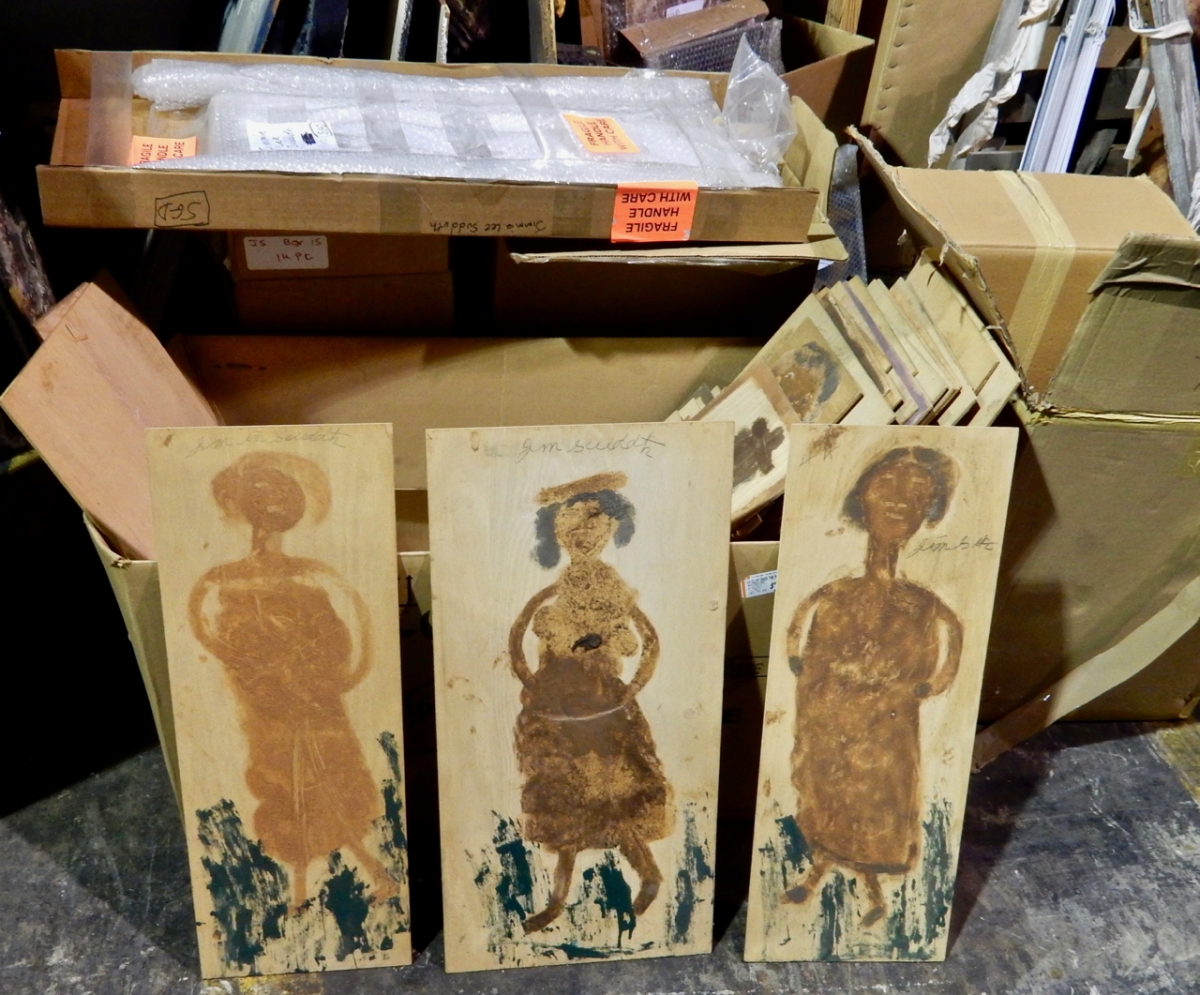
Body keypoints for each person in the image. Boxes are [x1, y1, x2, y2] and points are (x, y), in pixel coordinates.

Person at [188, 450, 392, 910]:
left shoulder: (312, 576)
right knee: (289, 785)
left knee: (326, 779)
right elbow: (210, 634)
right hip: (270, 707)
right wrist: (260, 673)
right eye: (259, 502)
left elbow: (352, 640)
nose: (268, 513)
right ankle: (314, 885)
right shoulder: (224, 579)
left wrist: (321, 682)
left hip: (313, 702)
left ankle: (352, 879)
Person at [784, 446, 963, 927]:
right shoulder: (834, 595)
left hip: (886, 731)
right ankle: (816, 874)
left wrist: (927, 687)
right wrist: (806, 671)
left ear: (929, 509)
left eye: (917, 492)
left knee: (875, 804)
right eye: (886, 485)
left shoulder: (923, 605)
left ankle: (874, 894)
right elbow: (797, 638)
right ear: (862, 496)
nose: (899, 500)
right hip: (831, 721)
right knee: (829, 796)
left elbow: (951, 647)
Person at [508, 471, 673, 933]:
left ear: (612, 525)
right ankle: (558, 900)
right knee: (565, 804)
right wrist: (560, 640)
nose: (582, 530)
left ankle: (649, 876)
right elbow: (541, 631)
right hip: (558, 705)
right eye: (570, 520)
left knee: (615, 797)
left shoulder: (611, 587)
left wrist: (599, 639)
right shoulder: (559, 591)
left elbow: (630, 641)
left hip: (601, 705)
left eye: (594, 518)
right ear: (555, 530)